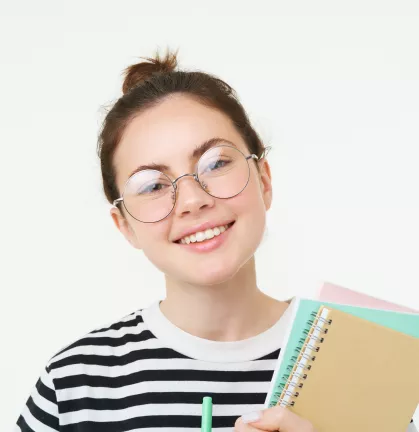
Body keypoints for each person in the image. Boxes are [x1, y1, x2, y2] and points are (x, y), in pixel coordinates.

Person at [15, 50, 416, 432]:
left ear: (264, 180)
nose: (192, 200)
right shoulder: (75, 386)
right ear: (125, 226)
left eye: (216, 163)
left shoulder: (361, 360)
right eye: (152, 185)